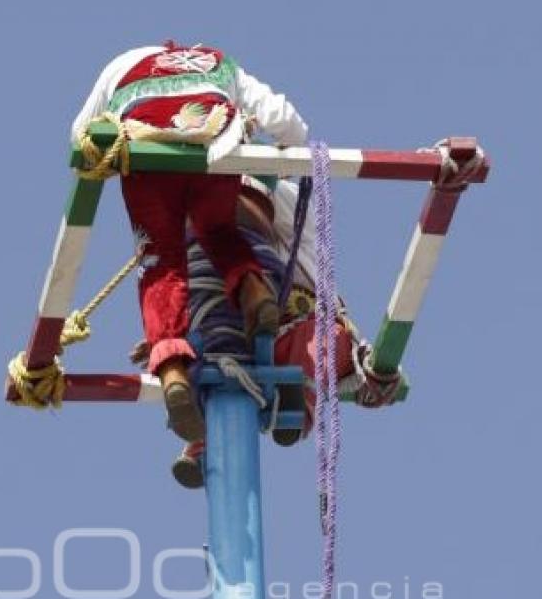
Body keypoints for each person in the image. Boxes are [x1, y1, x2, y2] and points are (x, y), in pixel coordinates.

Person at [72, 42, 309, 443]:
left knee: (160, 262)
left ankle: (173, 371)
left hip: (149, 153)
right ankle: (253, 290)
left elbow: (82, 137)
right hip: (214, 146)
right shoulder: (222, 62)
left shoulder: (121, 64)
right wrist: (287, 154)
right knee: (218, 231)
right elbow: (284, 119)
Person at [165, 176, 405, 488]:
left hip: (302, 325)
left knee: (320, 342)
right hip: (256, 331)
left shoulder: (293, 206)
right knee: (212, 344)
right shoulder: (247, 245)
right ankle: (203, 437)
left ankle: (295, 403)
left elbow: (260, 201)